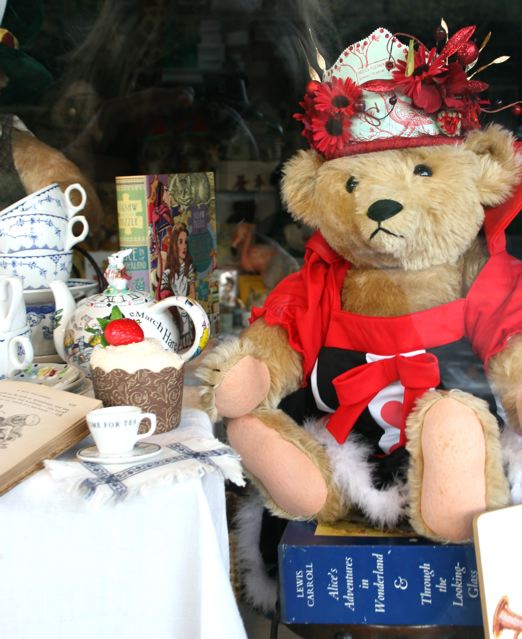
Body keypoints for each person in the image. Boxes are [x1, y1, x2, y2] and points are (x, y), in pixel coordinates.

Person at [160, 222, 197, 345]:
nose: (184, 246)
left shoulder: (189, 268)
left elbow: (192, 293)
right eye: (180, 242)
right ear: (174, 245)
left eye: (186, 242)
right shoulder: (167, 273)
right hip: (173, 315)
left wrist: (186, 305)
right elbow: (163, 295)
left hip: (187, 312)